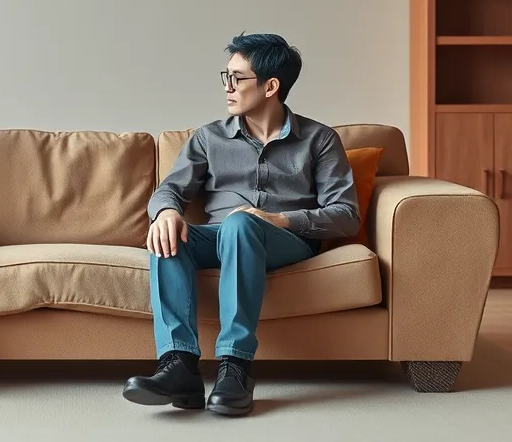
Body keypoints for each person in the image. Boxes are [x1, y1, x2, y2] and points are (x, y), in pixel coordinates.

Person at [122, 33, 360, 416]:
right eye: (226, 76)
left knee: (240, 225)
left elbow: (346, 214)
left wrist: (279, 219)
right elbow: (170, 190)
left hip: (284, 240)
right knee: (169, 235)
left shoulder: (319, 140)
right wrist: (166, 212)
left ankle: (235, 368)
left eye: (237, 78)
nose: (227, 87)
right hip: (219, 236)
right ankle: (179, 366)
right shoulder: (209, 138)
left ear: (271, 86)